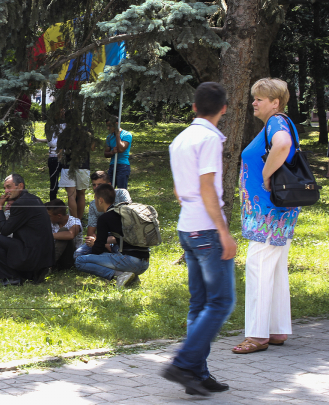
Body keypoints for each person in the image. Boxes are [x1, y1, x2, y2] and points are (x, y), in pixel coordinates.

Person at [161, 81, 235, 396]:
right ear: (224, 109)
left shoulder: (180, 139)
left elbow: (180, 190)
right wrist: (223, 231)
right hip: (205, 229)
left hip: (186, 227)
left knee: (200, 303)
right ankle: (183, 363)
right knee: (221, 301)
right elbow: (207, 188)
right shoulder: (208, 139)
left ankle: (196, 374)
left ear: (193, 107)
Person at [232, 78, 301, 355]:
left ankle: (257, 335)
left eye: (260, 98)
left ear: (275, 102)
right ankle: (276, 329)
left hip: (267, 213)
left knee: (258, 266)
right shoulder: (281, 122)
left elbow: (282, 145)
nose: (254, 102)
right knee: (274, 268)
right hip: (276, 210)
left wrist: (265, 174)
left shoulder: (276, 122)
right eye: (254, 98)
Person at [74, 184, 149, 287]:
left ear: (100, 200)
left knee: (80, 260)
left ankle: (120, 276)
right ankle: (132, 277)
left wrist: (94, 244)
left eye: (95, 199)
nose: (94, 203)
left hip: (130, 261)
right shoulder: (123, 214)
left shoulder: (105, 218)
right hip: (144, 263)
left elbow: (98, 250)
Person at [75, 171, 133, 258]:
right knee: (78, 255)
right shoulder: (93, 204)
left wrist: (106, 241)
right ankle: (107, 257)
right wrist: (101, 242)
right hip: (102, 238)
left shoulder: (121, 194)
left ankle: (108, 258)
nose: (96, 188)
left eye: (100, 184)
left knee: (123, 254)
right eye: (94, 185)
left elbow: (128, 219)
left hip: (122, 237)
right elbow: (91, 232)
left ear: (109, 185)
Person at [46, 199, 83, 270]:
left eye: (50, 216)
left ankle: (48, 265)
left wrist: (49, 236)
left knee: (64, 232)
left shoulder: (75, 222)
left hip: (70, 257)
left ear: (59, 216)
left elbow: (71, 235)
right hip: (55, 255)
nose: (48, 218)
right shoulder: (52, 223)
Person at [33, 119, 62, 201]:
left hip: (62, 157)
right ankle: (53, 203)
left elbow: (53, 142)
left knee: (66, 182)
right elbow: (51, 141)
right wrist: (38, 140)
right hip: (53, 157)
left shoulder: (66, 125)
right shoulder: (51, 125)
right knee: (54, 183)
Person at [104, 115, 133, 189]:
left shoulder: (127, 134)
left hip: (123, 166)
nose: (108, 128)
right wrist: (112, 152)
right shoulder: (109, 137)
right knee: (109, 189)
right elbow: (105, 154)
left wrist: (117, 134)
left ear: (116, 124)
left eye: (109, 126)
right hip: (112, 166)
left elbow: (121, 149)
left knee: (121, 190)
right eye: (107, 126)